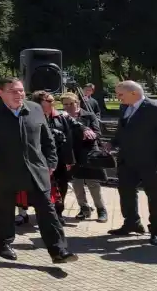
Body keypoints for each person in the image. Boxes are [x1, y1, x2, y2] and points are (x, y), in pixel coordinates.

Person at [0, 77, 76, 263]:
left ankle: (59, 251)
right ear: (1, 92)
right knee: (4, 209)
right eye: (13, 91)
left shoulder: (34, 109)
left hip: (36, 168)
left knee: (47, 208)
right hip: (3, 168)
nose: (19, 94)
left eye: (21, 90)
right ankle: (4, 243)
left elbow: (47, 138)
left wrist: (51, 161)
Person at [107, 80, 157, 246]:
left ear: (134, 93)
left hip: (152, 162)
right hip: (127, 162)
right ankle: (132, 223)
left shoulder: (156, 109)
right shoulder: (125, 107)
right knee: (126, 193)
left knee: (155, 197)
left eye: (120, 94)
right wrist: (112, 143)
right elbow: (123, 131)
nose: (118, 98)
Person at [31, 91, 77, 225]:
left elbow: (68, 139)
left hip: (60, 158)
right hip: (39, 159)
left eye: (53, 100)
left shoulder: (60, 116)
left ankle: (58, 213)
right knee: (41, 188)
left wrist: (69, 160)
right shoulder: (31, 117)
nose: (53, 103)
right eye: (49, 101)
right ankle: (44, 214)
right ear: (39, 103)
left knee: (61, 186)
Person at [62, 94, 108, 222]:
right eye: (65, 104)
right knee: (77, 184)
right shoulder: (63, 118)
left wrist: (89, 134)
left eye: (71, 104)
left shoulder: (89, 115)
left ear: (77, 103)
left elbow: (98, 133)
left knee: (93, 183)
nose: (68, 107)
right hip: (73, 154)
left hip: (88, 153)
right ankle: (84, 208)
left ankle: (101, 210)